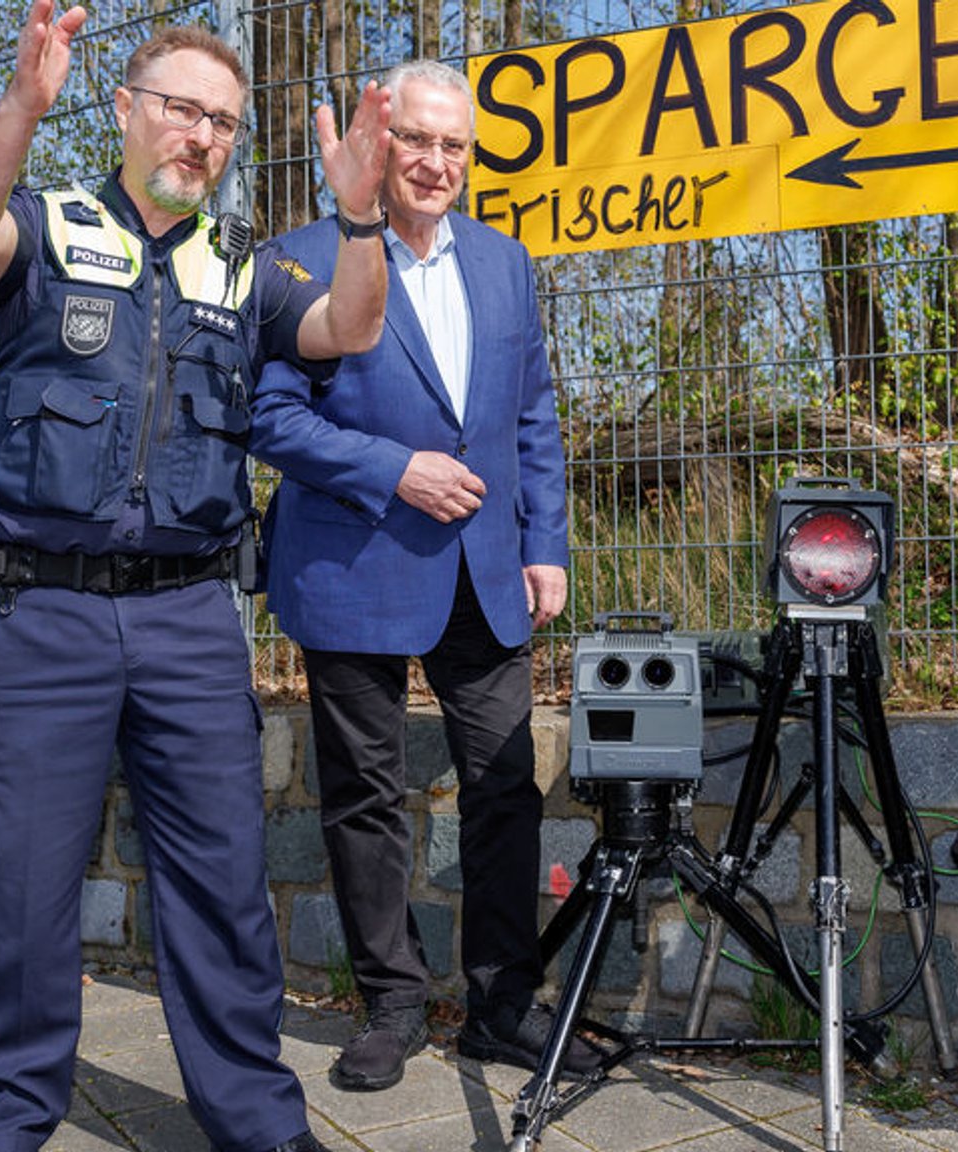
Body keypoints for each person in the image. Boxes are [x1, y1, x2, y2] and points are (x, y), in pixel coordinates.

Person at [0, 3, 392, 1149]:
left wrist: (361, 216)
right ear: (125, 109)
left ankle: (254, 1122)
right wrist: (20, 106)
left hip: (190, 617)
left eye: (223, 122)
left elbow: (349, 328)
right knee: (26, 892)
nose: (201, 135)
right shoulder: (45, 228)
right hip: (39, 612)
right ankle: (4, 1120)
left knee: (224, 891)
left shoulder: (247, 270)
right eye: (181, 108)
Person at [249, 58, 584, 1093]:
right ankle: (390, 1006)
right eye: (416, 141)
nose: (436, 162)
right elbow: (270, 418)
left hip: (485, 574)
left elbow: (531, 415)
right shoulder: (295, 263)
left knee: (503, 791)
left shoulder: (504, 263)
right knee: (364, 799)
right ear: (375, 145)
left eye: (455, 144)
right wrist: (394, 470)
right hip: (353, 567)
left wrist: (545, 545)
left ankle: (497, 1005)